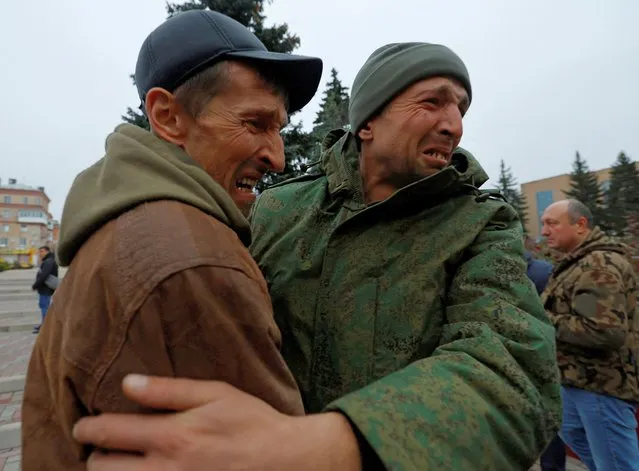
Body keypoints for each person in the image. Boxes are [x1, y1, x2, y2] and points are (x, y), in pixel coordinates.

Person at [72, 42, 562, 470]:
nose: (453, 125)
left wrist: (334, 447)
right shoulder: (279, 208)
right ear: (367, 123)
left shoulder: (480, 224)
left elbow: (514, 371)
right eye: (431, 102)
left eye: (460, 109)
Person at [21, 10, 322, 470]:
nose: (277, 159)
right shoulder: (195, 262)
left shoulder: (123, 222)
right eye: (255, 124)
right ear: (168, 117)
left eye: (278, 129)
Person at [540, 199, 639, 471]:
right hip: (576, 382)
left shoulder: (598, 265)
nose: (544, 232)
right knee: (584, 446)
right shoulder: (577, 263)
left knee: (617, 465)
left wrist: (540, 320)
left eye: (552, 223)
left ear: (580, 225)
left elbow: (603, 332)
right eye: (542, 224)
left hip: (602, 387)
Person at [525, 249, 567, 471]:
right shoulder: (542, 269)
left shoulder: (542, 272)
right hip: (532, 358)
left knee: (550, 422)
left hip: (546, 360)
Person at [31, 245, 58, 334]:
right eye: (39, 252)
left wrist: (35, 285)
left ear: (47, 251)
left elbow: (44, 275)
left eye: (42, 251)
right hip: (45, 287)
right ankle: (44, 324)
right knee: (44, 306)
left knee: (44, 307)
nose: (40, 254)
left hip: (46, 288)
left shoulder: (49, 261)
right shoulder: (48, 260)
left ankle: (45, 327)